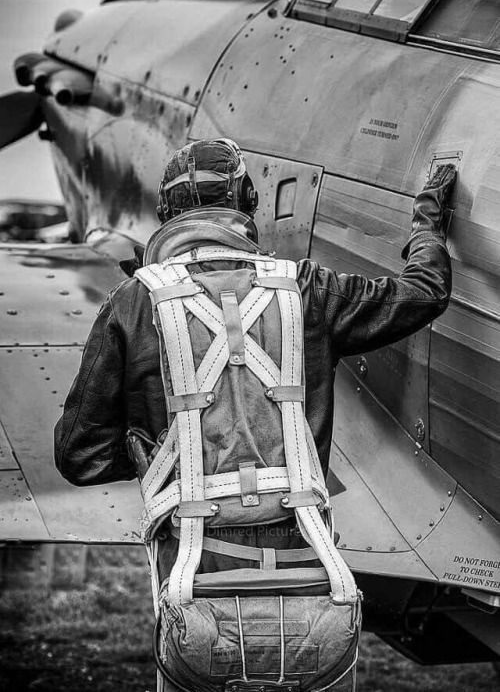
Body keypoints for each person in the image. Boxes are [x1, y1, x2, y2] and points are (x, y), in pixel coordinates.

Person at [54, 138, 455, 690]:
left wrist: (166, 456)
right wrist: (428, 217)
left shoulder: (134, 302)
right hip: (314, 601)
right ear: (246, 205)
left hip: (196, 601)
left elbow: (79, 456)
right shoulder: (307, 289)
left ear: (167, 216)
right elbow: (424, 293)